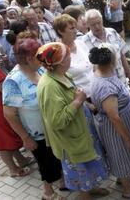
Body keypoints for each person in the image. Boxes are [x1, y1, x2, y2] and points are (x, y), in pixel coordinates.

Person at [36, 42, 109, 200]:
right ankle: (85, 196)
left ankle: (91, 189)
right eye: (68, 56)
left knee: (89, 165)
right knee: (80, 170)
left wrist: (85, 103)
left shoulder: (62, 74)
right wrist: (77, 102)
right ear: (60, 62)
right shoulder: (49, 86)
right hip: (70, 140)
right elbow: (57, 121)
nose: (71, 58)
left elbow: (74, 96)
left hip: (81, 131)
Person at [2, 35, 65, 200]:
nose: (43, 57)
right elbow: (9, 114)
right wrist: (25, 137)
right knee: (46, 164)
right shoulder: (14, 81)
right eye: (39, 54)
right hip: (38, 134)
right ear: (29, 59)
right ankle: (48, 193)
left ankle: (63, 183)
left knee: (58, 159)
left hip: (54, 128)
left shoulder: (40, 68)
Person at [89, 44, 130, 200]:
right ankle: (128, 191)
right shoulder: (105, 87)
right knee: (120, 154)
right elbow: (114, 117)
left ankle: (124, 179)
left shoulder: (103, 72)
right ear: (112, 61)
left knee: (123, 155)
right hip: (116, 129)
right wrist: (128, 138)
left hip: (120, 123)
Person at [82, 9, 130, 83]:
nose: (97, 27)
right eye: (93, 24)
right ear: (87, 24)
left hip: (121, 80)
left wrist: (129, 72)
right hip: (105, 85)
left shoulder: (112, 32)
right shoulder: (85, 41)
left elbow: (121, 53)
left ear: (102, 20)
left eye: (98, 23)